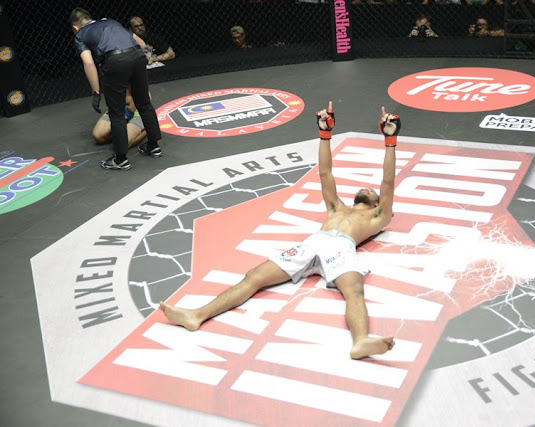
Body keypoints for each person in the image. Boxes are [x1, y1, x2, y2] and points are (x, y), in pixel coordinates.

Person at [160, 102, 401, 360]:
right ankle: (196, 315)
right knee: (254, 276)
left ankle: (361, 340)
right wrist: (324, 134)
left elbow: (387, 181)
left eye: (372, 192)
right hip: (313, 242)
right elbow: (325, 173)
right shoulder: (336, 208)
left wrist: (390, 140)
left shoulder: (379, 216)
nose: (367, 188)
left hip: (342, 247)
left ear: (377, 203)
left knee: (354, 290)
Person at [70, 8, 163, 170]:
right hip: (137, 55)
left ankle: (120, 159)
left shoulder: (80, 35)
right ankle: (153, 146)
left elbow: (89, 63)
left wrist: (96, 92)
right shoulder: (110, 21)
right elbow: (142, 44)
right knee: (144, 104)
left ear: (75, 28)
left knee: (116, 112)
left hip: (115, 60)